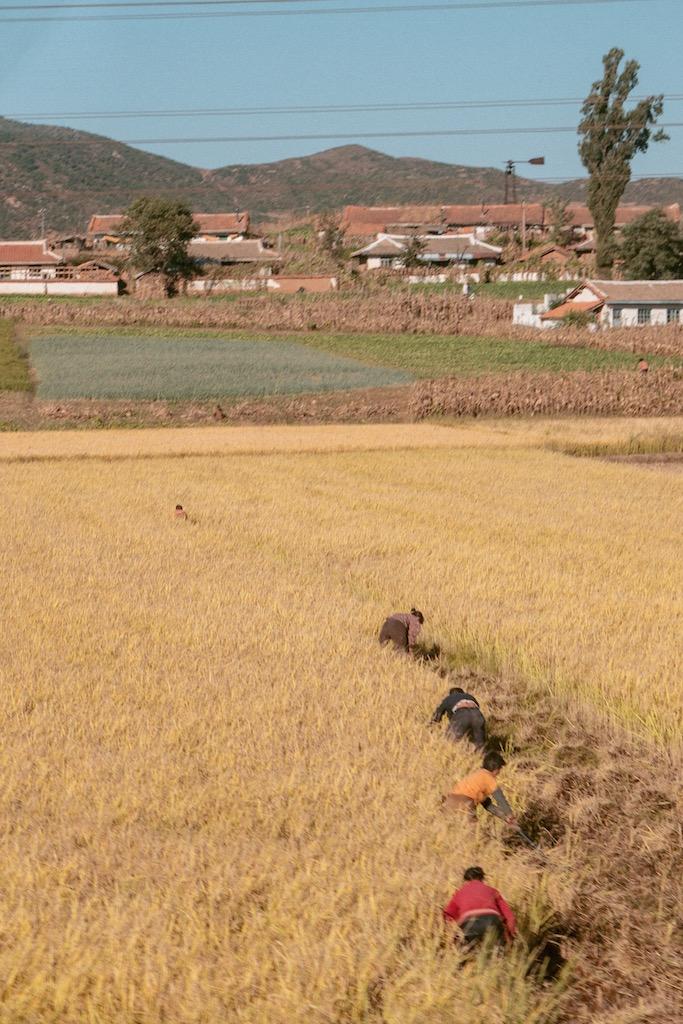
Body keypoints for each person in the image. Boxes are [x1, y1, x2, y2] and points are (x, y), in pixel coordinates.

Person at [443, 866, 516, 948]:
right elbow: (510, 917)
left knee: (468, 955)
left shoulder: (459, 893)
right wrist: (510, 937)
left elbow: (448, 915)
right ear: (482, 879)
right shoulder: (492, 891)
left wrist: (453, 938)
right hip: (492, 921)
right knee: (497, 954)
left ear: (466, 880)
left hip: (469, 924)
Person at [444, 751, 517, 826]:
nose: (499, 772)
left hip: (449, 802)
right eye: (500, 769)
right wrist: (510, 816)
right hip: (465, 803)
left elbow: (488, 806)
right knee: (474, 834)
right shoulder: (489, 778)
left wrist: (505, 818)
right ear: (496, 769)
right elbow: (500, 799)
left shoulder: (477, 776)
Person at [432, 686, 486, 750]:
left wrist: (432, 728)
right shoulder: (470, 697)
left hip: (461, 714)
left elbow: (437, 715)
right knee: (480, 747)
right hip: (478, 715)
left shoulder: (449, 698)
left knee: (450, 743)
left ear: (451, 694)